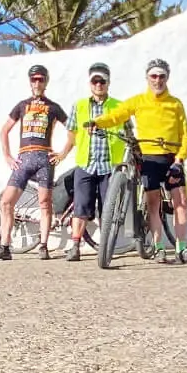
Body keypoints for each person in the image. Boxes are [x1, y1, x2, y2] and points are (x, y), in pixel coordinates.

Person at [88, 59, 187, 263]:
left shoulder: (175, 103)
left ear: (167, 78)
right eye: (154, 76)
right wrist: (97, 122)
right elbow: (116, 116)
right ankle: (159, 247)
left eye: (161, 76)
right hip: (149, 158)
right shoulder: (138, 101)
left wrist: (180, 159)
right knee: (153, 205)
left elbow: (185, 134)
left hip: (172, 159)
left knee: (180, 203)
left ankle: (182, 247)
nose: (158, 80)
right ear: (147, 78)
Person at [0, 64, 72, 261]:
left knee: (44, 203)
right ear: (29, 82)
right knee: (6, 202)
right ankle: (4, 246)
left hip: (44, 158)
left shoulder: (53, 107)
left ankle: (43, 246)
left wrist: (62, 154)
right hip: (23, 158)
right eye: (33, 79)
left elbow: (73, 130)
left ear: (46, 82)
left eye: (40, 79)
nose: (37, 82)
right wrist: (7, 156)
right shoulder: (21, 105)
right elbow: (4, 130)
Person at [65, 64, 125, 262]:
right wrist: (63, 153)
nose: (99, 85)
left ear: (108, 83)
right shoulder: (79, 105)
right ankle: (75, 246)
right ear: (90, 83)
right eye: (95, 81)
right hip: (86, 163)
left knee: (107, 209)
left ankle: (105, 247)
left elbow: (127, 132)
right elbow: (72, 132)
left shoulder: (118, 106)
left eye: (102, 81)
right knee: (80, 207)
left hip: (110, 165)